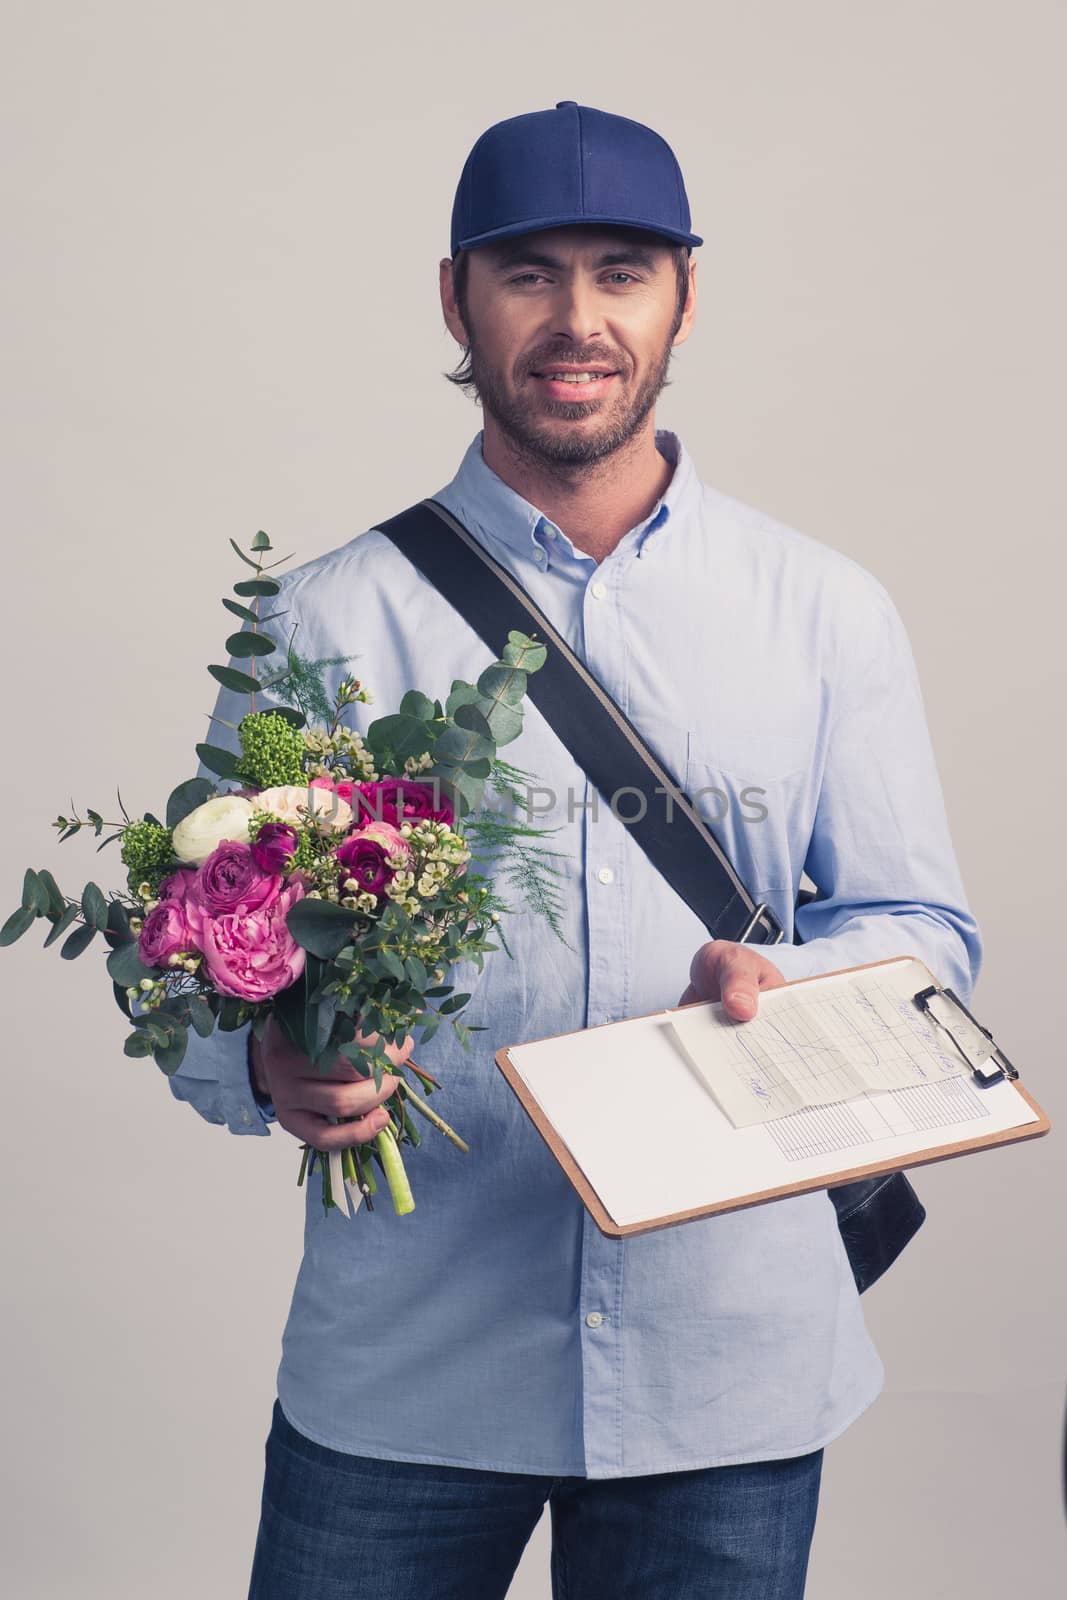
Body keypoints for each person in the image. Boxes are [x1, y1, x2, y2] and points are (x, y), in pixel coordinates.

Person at [171, 101, 982, 1600]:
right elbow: (205, 961)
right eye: (528, 272)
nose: (576, 319)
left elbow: (923, 928)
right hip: (405, 1370)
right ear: (456, 299)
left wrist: (790, 985)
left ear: (685, 296)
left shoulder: (825, 610)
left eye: (622, 270)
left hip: (726, 1367)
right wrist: (265, 1063)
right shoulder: (319, 624)